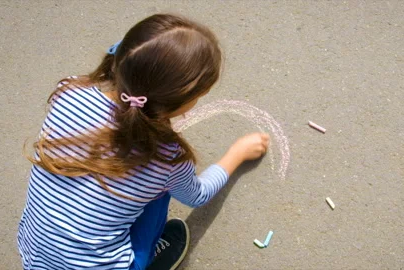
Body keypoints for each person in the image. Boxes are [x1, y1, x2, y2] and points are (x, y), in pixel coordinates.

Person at [17, 13, 269, 270]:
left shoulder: (70, 92)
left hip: (36, 255)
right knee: (160, 190)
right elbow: (197, 195)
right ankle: (150, 260)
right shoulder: (166, 158)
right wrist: (236, 154)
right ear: (180, 104)